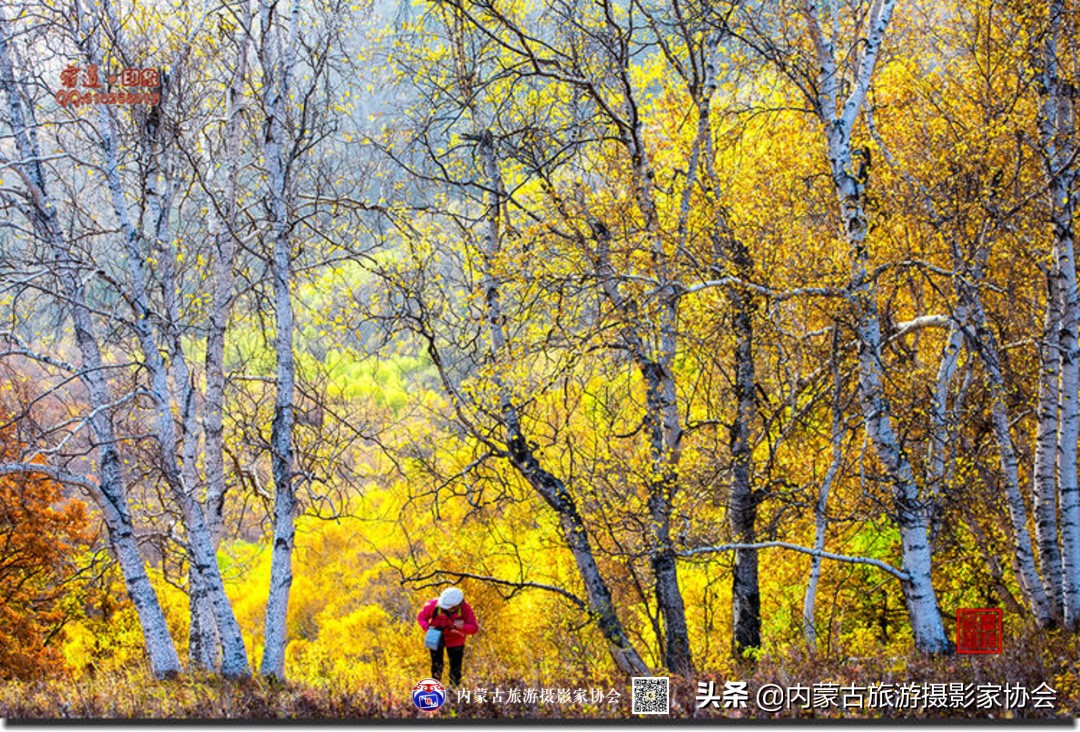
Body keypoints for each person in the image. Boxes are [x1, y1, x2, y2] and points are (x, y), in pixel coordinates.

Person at [417, 587, 478, 686]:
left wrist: (462, 626)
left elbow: (474, 628)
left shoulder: (465, 608)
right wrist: (427, 627)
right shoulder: (433, 604)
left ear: (458, 605)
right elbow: (421, 618)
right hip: (434, 635)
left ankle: (453, 692)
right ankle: (435, 690)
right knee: (436, 666)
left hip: (456, 639)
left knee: (455, 668)